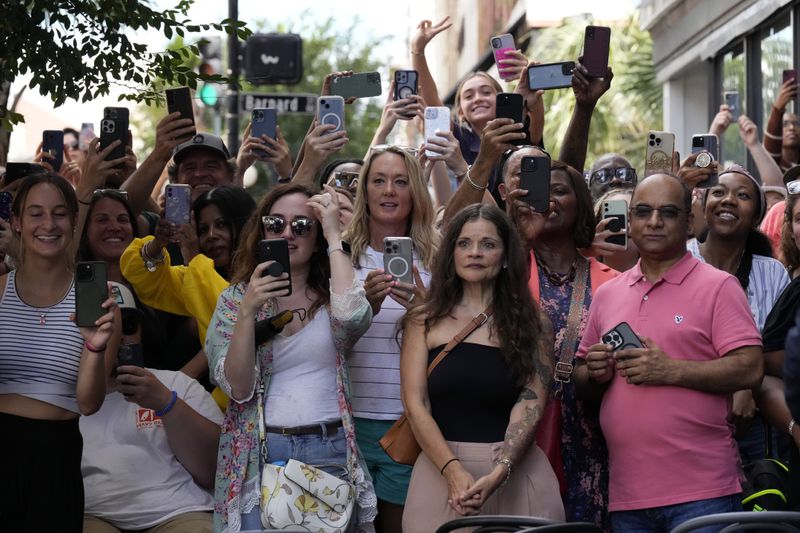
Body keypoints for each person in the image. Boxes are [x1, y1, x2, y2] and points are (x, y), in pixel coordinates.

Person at [575, 173, 763, 532]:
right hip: (628, 497)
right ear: (630, 221)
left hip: (704, 493)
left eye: (668, 212)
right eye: (643, 212)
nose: (655, 222)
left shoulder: (719, 286)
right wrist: (595, 370)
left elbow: (750, 368)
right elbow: (583, 381)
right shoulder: (608, 294)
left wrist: (670, 370)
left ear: (690, 221)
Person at [206, 183, 377, 532]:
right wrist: (247, 312)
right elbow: (237, 388)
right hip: (259, 452)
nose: (287, 233)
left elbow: (353, 318)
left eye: (302, 225)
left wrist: (334, 235)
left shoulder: (335, 289)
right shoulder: (235, 298)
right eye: (275, 223)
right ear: (261, 230)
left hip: (328, 448)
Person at [400, 204, 565, 532]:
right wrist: (453, 470)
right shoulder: (423, 320)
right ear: (451, 254)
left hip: (516, 471)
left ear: (506, 256)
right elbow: (416, 405)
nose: (474, 252)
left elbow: (531, 404)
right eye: (464, 243)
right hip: (439, 470)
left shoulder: (534, 324)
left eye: (488, 244)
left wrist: (501, 470)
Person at [0, 173, 118, 532]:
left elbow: (88, 402)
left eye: (59, 214)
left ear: (73, 220)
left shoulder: (102, 298)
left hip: (57, 455)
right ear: (17, 222)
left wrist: (94, 349)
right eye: (35, 214)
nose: (48, 225)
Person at [342, 145, 436, 532]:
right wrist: (368, 309)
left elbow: (454, 339)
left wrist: (427, 310)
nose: (389, 191)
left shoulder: (437, 255)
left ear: (415, 190)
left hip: (408, 421)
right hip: (347, 419)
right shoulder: (342, 255)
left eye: (400, 181)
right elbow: (325, 340)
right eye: (378, 181)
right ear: (364, 191)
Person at [81, 283, 222, 533]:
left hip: (178, 513)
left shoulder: (178, 384)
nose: (118, 335)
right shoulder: (64, 396)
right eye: (105, 326)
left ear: (141, 332)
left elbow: (215, 471)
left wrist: (166, 403)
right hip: (96, 514)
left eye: (128, 326)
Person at [764, 77, 800, 173]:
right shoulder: (774, 166)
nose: (792, 128)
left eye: (796, 124)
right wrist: (777, 109)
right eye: (785, 124)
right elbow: (770, 155)